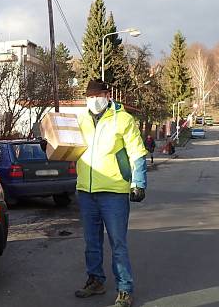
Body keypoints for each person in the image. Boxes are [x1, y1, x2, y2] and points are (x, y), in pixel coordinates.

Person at [74, 79, 148, 307]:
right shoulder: (81, 119)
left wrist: (139, 183)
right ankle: (95, 280)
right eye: (90, 96)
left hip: (114, 191)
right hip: (86, 191)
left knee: (118, 243)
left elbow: (137, 152)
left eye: (98, 95)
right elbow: (67, 145)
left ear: (108, 95)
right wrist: (48, 143)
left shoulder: (123, 119)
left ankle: (125, 289)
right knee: (91, 242)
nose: (94, 100)